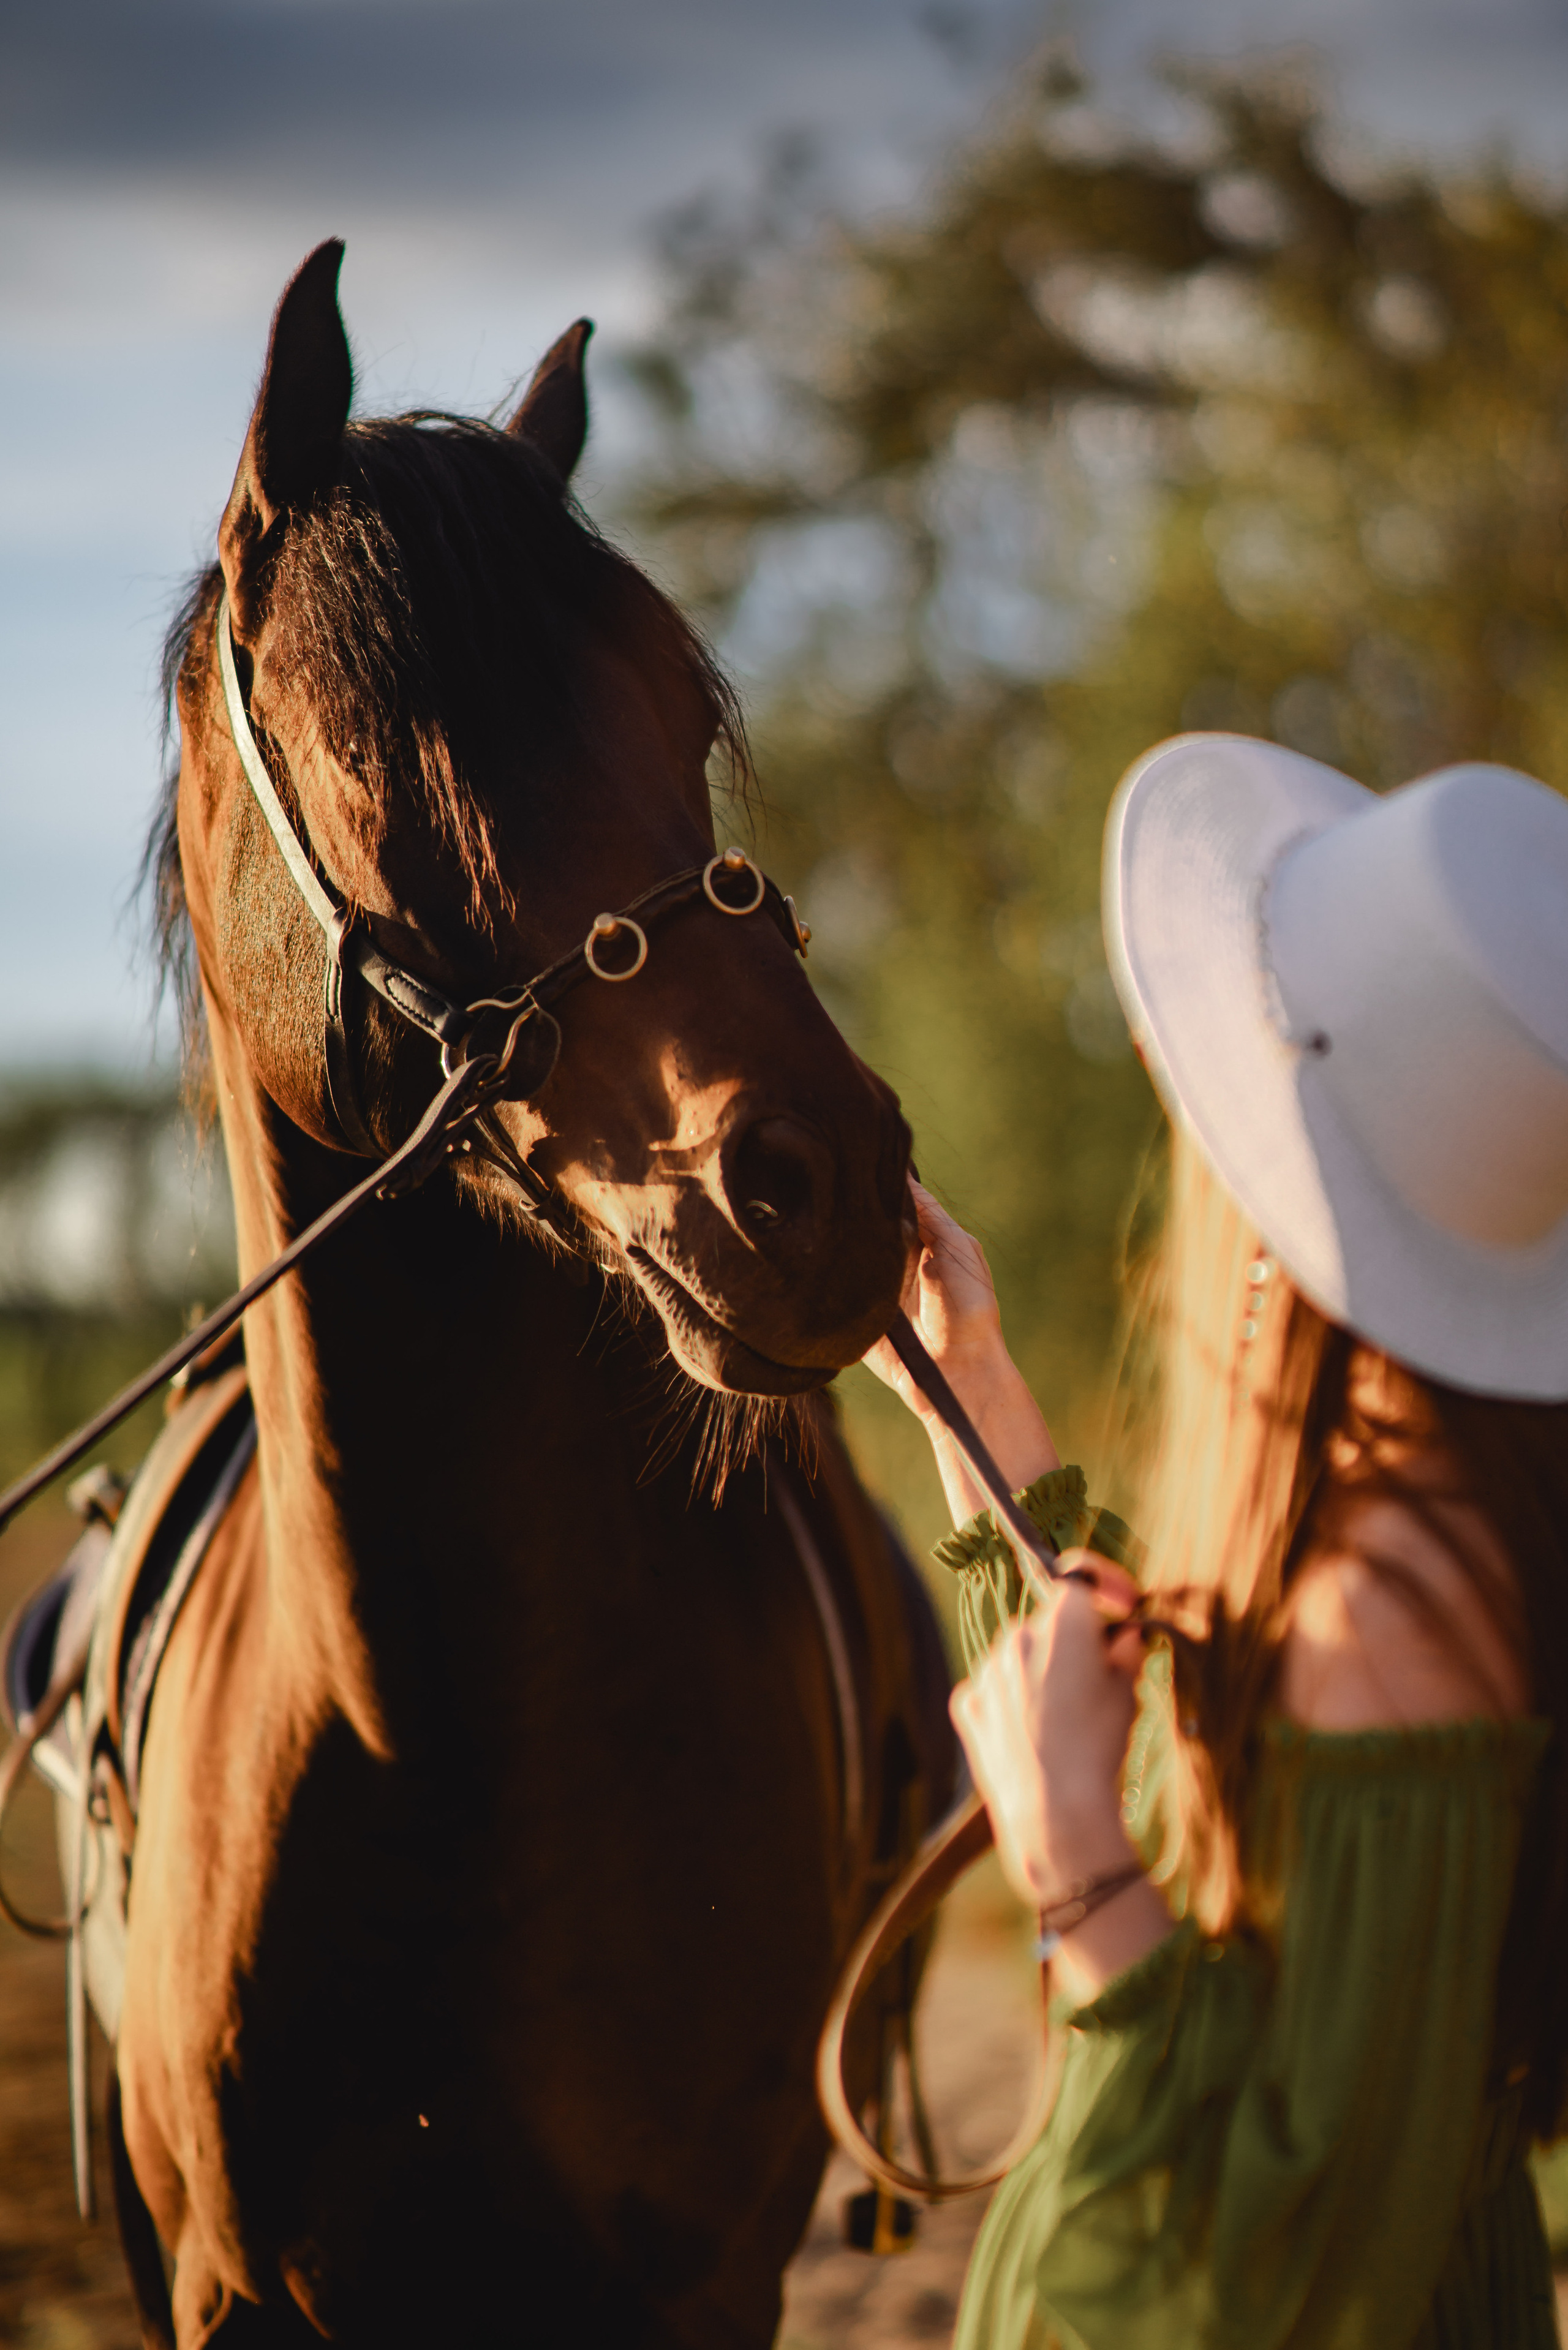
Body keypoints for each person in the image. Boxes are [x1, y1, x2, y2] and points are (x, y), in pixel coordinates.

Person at [865, 735, 1568, 2347]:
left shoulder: (1391, 1616)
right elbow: (1246, 1872)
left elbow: (1251, 2279)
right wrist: (971, 1395)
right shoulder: (1455, 1529)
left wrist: (1074, 1879)